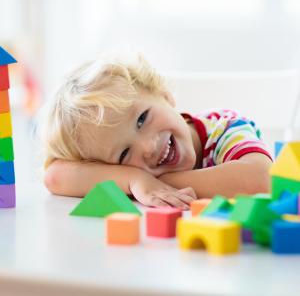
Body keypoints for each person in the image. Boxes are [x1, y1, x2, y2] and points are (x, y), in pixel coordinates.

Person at [41, 53, 272, 209]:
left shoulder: (225, 129)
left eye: (142, 119)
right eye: (123, 154)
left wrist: (157, 180)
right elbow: (54, 176)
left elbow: (261, 180)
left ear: (163, 94)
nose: (148, 147)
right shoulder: (135, 175)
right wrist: (134, 179)